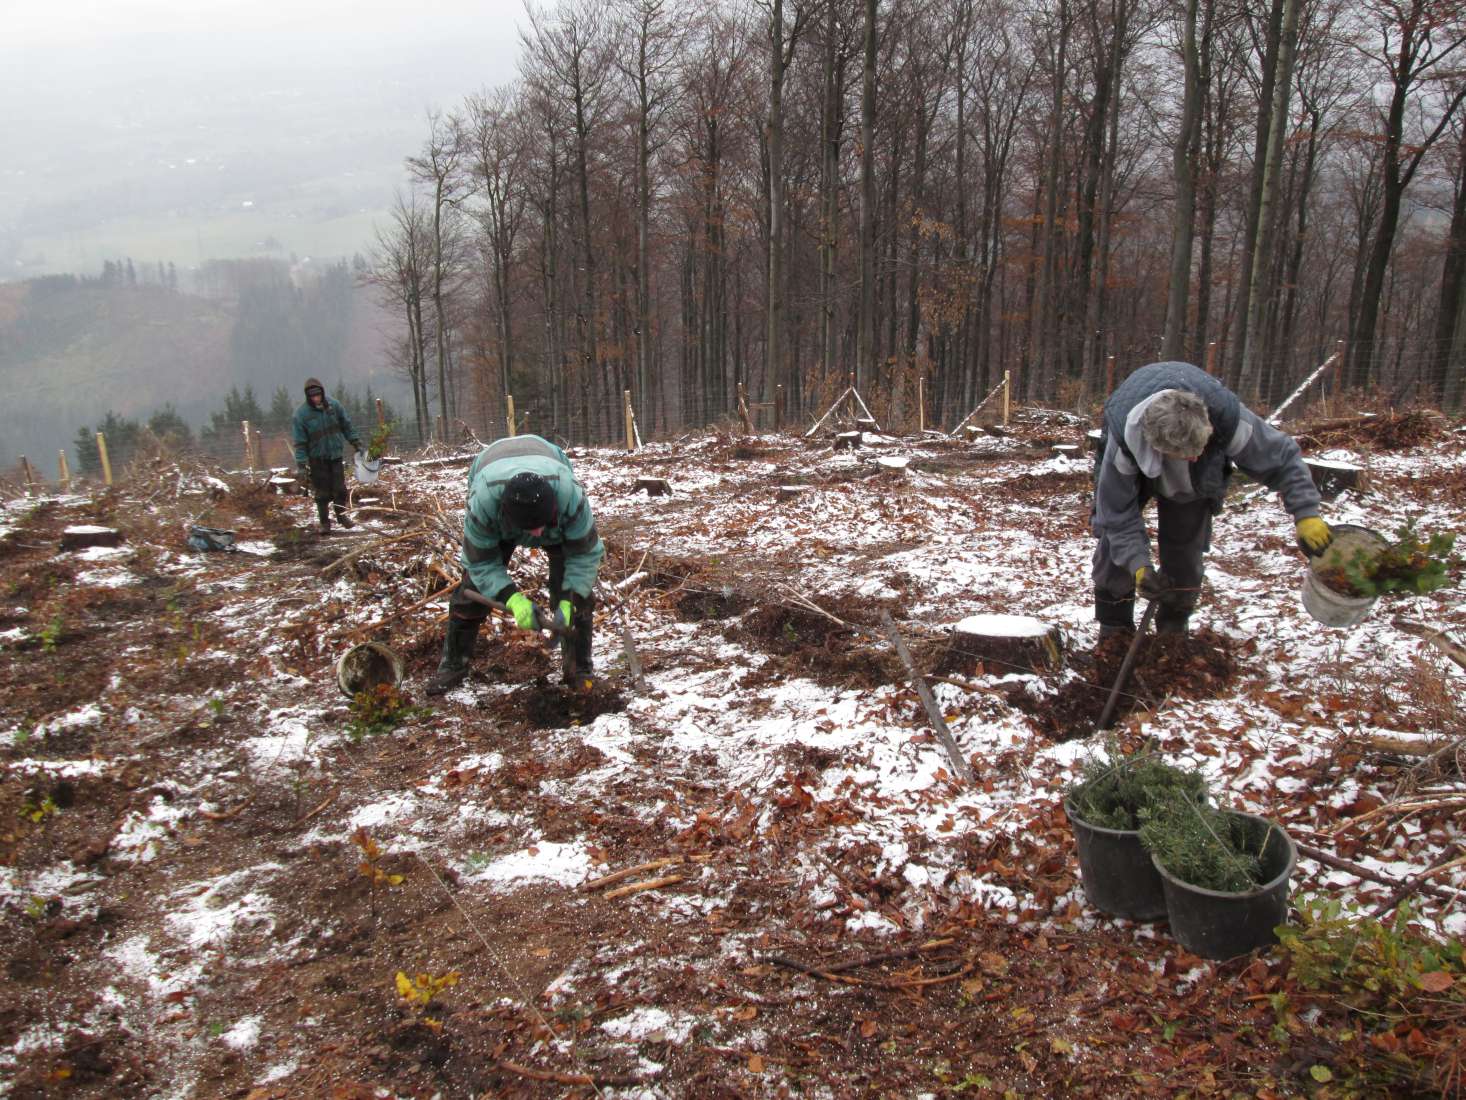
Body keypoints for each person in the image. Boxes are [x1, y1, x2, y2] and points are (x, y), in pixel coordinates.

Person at [1092, 360, 1333, 637]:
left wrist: (1307, 515)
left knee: (1186, 548)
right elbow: (1116, 515)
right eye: (1187, 454)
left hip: (1192, 479)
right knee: (1113, 549)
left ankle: (1173, 627)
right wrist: (1139, 566)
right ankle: (1115, 629)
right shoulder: (1123, 442)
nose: (1195, 457)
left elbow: (1282, 459)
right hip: (1136, 448)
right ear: (1158, 449)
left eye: (1200, 448)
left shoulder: (1226, 417)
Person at [426, 434, 604, 695]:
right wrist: (511, 598)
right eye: (528, 529)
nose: (535, 537)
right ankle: (453, 664)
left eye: (539, 527)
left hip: (548, 463)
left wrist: (569, 599)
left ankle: (578, 667)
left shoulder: (570, 496)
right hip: (490, 469)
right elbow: (481, 561)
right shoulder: (484, 504)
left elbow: (585, 553)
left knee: (579, 597)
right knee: (471, 591)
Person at [292, 378, 362, 534]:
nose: (316, 398)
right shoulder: (301, 415)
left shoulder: (334, 406)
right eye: (312, 396)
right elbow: (300, 442)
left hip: (335, 456)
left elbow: (346, 425)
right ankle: (325, 523)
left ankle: (341, 516)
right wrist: (301, 464)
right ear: (308, 397)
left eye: (318, 395)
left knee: (340, 490)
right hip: (317, 460)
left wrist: (355, 442)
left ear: (322, 393)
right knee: (322, 494)